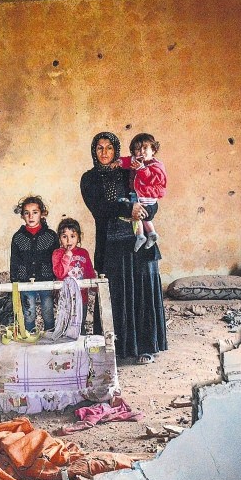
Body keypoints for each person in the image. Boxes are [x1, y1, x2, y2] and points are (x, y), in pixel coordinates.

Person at [80, 132, 167, 364]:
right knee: (115, 293)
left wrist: (146, 210)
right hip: (112, 244)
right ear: (94, 151)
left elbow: (151, 197)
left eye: (109, 147)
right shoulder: (89, 179)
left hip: (140, 244)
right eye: (99, 148)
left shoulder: (129, 170)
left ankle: (145, 347)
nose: (105, 152)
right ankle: (115, 349)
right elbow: (99, 208)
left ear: (116, 150)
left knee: (142, 292)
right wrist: (129, 209)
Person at [9, 195, 59, 333]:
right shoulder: (18, 237)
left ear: (42, 213)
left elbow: (56, 260)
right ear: (22, 215)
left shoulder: (50, 236)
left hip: (46, 280)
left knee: (48, 311)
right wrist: (14, 282)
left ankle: (50, 337)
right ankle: (30, 340)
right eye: (27, 213)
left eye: (35, 212)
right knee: (29, 312)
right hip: (25, 281)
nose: (31, 216)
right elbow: (14, 260)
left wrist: (56, 282)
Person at [117, 133, 167, 251]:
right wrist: (119, 162)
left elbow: (152, 179)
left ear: (153, 150)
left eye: (145, 148)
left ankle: (141, 236)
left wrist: (141, 169)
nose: (141, 152)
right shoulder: (136, 160)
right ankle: (151, 234)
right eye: (138, 149)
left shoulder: (156, 165)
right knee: (142, 217)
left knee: (139, 214)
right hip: (138, 194)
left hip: (147, 196)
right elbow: (128, 161)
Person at [50, 218, 97, 340]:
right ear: (60, 238)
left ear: (78, 237)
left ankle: (82, 353)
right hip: (65, 299)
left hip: (82, 297)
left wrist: (94, 288)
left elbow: (89, 272)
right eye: (64, 236)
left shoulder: (83, 253)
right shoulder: (57, 253)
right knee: (65, 326)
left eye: (72, 236)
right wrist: (67, 256)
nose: (69, 240)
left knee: (80, 325)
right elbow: (59, 273)